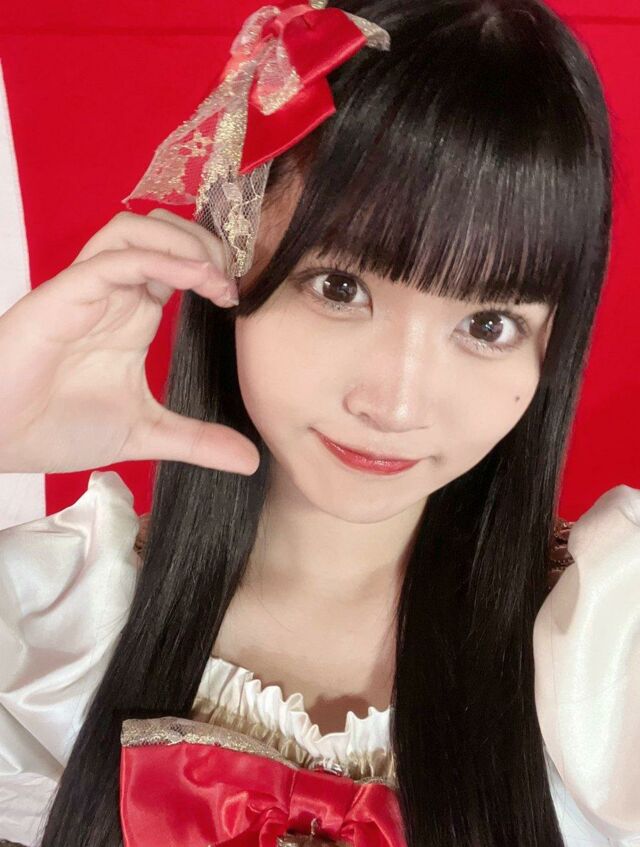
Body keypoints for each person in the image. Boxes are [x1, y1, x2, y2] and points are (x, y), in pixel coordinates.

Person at [0, 0, 638, 845]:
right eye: (340, 287)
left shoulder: (611, 667)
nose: (395, 404)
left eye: (488, 325)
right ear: (228, 252)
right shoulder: (44, 632)